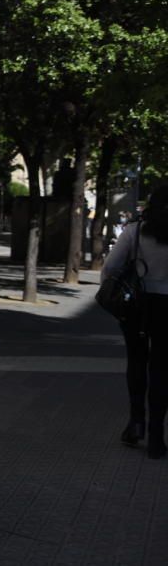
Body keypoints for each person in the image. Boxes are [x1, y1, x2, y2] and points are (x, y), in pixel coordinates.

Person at [103, 185, 168, 459]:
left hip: (137, 305)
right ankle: (156, 437)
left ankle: (136, 423)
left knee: (137, 362)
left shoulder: (136, 231)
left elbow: (110, 268)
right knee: (162, 370)